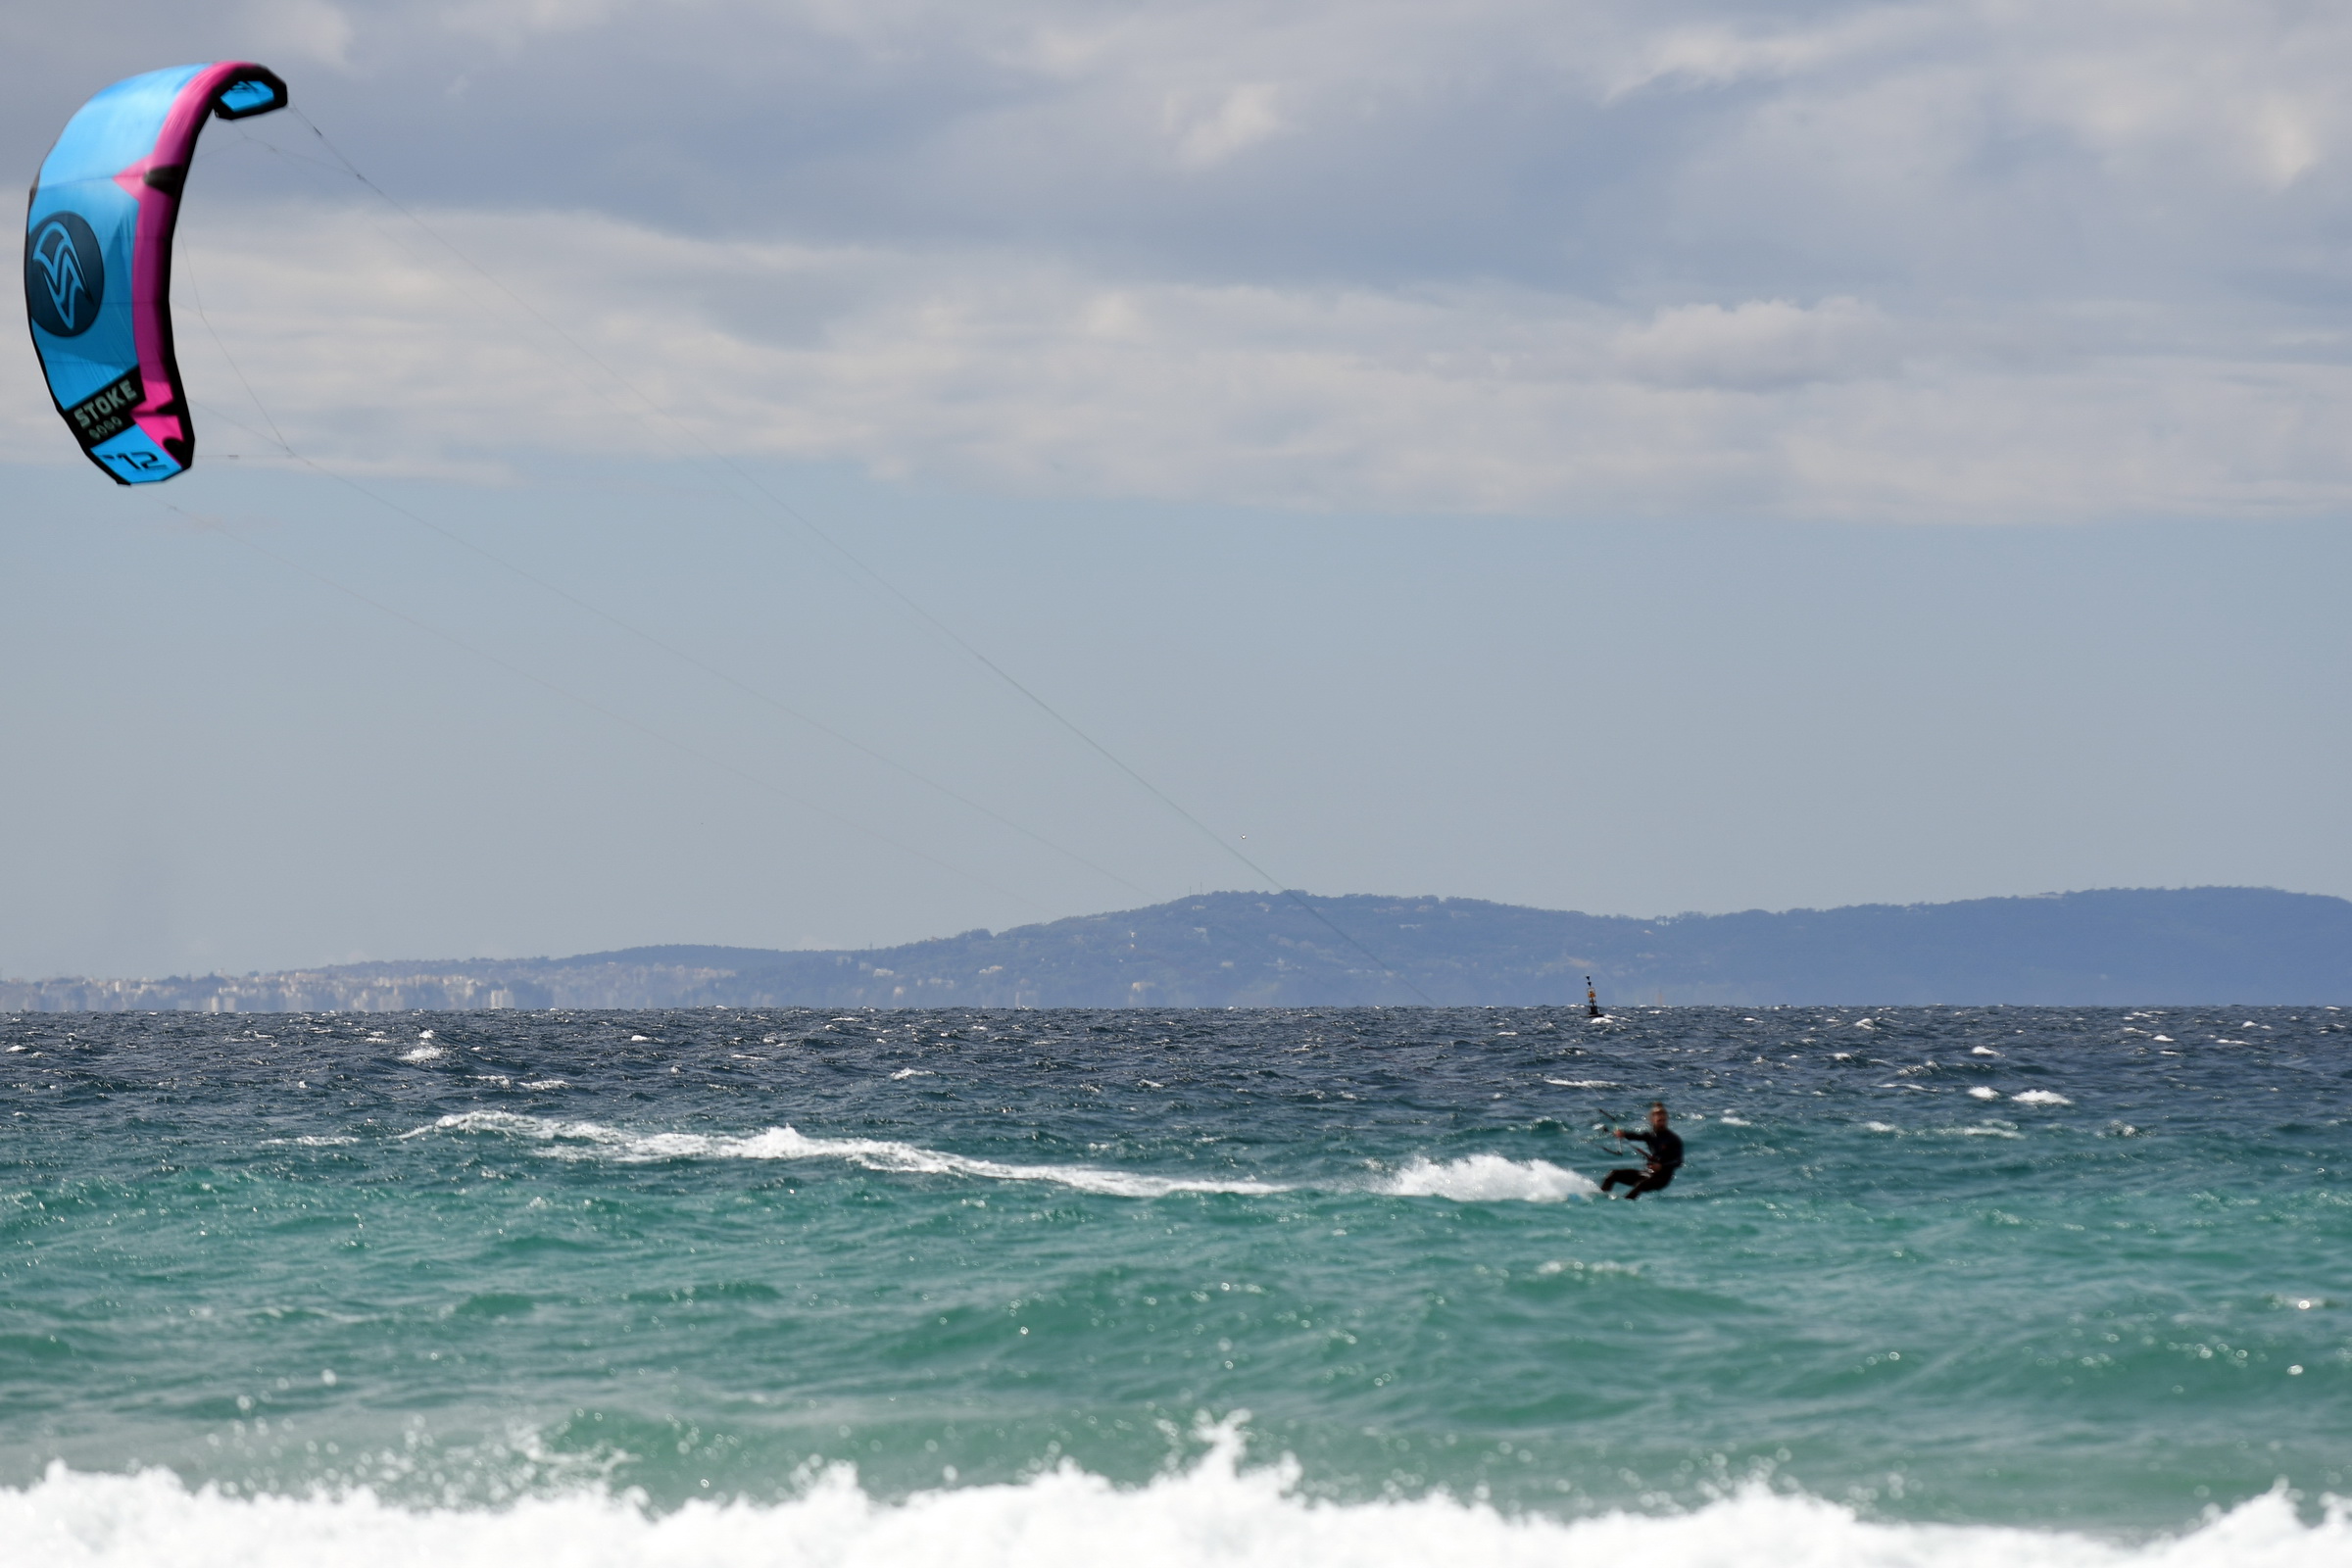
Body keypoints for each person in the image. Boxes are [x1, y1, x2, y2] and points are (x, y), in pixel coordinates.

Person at [1600, 1102, 1683, 1200]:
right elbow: (1637, 1136)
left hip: (1662, 1178)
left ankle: (1624, 1205)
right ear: (1652, 1120)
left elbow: (1678, 1161)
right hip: (1648, 1174)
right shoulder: (1650, 1136)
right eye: (1659, 1119)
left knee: (1640, 1185)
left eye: (1664, 1120)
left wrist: (1661, 1166)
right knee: (1613, 1174)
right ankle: (1601, 1199)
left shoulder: (1673, 1139)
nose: (1662, 1122)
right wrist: (1623, 1134)